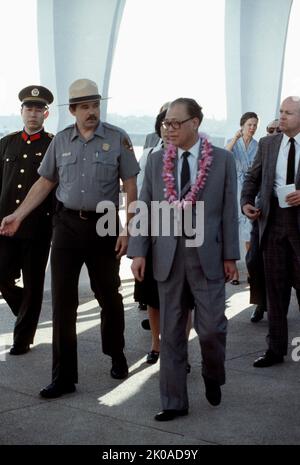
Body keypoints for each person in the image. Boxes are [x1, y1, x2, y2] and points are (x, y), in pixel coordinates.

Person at [0, 78, 139, 397]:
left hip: (104, 222)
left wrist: (128, 228)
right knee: (63, 302)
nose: (91, 112)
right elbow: (44, 183)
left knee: (109, 295)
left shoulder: (118, 138)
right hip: (65, 225)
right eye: (85, 106)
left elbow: (130, 186)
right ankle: (63, 376)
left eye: (95, 105)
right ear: (73, 109)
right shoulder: (60, 141)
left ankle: (116, 354)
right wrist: (18, 215)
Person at [128, 98, 239, 421]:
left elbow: (229, 212)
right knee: (172, 333)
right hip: (167, 256)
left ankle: (213, 373)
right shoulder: (155, 160)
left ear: (196, 123)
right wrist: (138, 251)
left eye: (176, 123)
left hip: (209, 256)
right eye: (165, 123)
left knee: (212, 329)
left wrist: (231, 255)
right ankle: (174, 401)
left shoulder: (222, 160)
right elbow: (144, 208)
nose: (169, 129)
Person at [241, 96, 300, 367]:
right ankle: (275, 350)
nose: (282, 116)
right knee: (275, 293)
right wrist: (246, 203)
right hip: (272, 226)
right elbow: (252, 178)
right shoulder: (268, 144)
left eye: (289, 113)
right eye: (281, 111)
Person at [0, 85, 54, 355]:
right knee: (2, 276)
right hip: (6, 225)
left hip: (38, 227)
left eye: (38, 109)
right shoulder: (7, 143)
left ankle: (22, 338)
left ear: (46, 114)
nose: (33, 113)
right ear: (21, 111)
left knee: (33, 284)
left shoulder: (52, 144)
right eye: (28, 108)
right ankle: (24, 308)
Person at [226, 112, 259, 285]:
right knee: (232, 229)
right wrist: (234, 138)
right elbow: (224, 155)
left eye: (255, 125)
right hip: (234, 187)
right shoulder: (234, 143)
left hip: (250, 188)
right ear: (242, 125)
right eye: (249, 125)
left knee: (248, 231)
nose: (252, 128)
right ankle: (234, 275)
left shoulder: (258, 145)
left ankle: (251, 271)